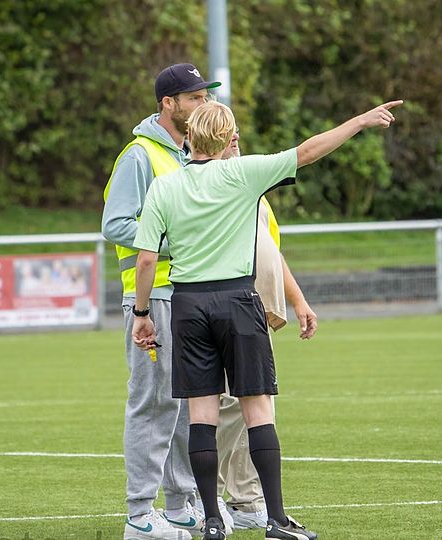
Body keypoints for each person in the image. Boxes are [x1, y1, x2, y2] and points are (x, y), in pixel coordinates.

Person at [131, 98, 402, 540]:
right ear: (226, 138)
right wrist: (359, 120)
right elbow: (308, 151)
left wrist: (142, 314)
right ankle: (276, 519)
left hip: (187, 306)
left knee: (201, 415)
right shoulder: (244, 173)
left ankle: (212, 522)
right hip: (237, 300)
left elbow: (145, 261)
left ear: (191, 135)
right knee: (258, 410)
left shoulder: (165, 186)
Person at [102, 63, 220, 540]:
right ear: (169, 103)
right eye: (195, 98)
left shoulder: (189, 153)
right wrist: (176, 242)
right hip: (152, 298)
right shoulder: (139, 155)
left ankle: (177, 505)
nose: (204, 104)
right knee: (152, 404)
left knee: (185, 404)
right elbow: (115, 224)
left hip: (187, 294)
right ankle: (138, 514)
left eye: (205, 97)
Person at [202, 130, 319, 531]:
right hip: (225, 309)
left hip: (253, 309)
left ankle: (247, 499)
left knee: (254, 406)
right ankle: (205, 498)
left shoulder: (249, 183)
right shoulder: (214, 185)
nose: (235, 136)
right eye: (227, 130)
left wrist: (298, 300)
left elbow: (270, 250)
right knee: (224, 407)